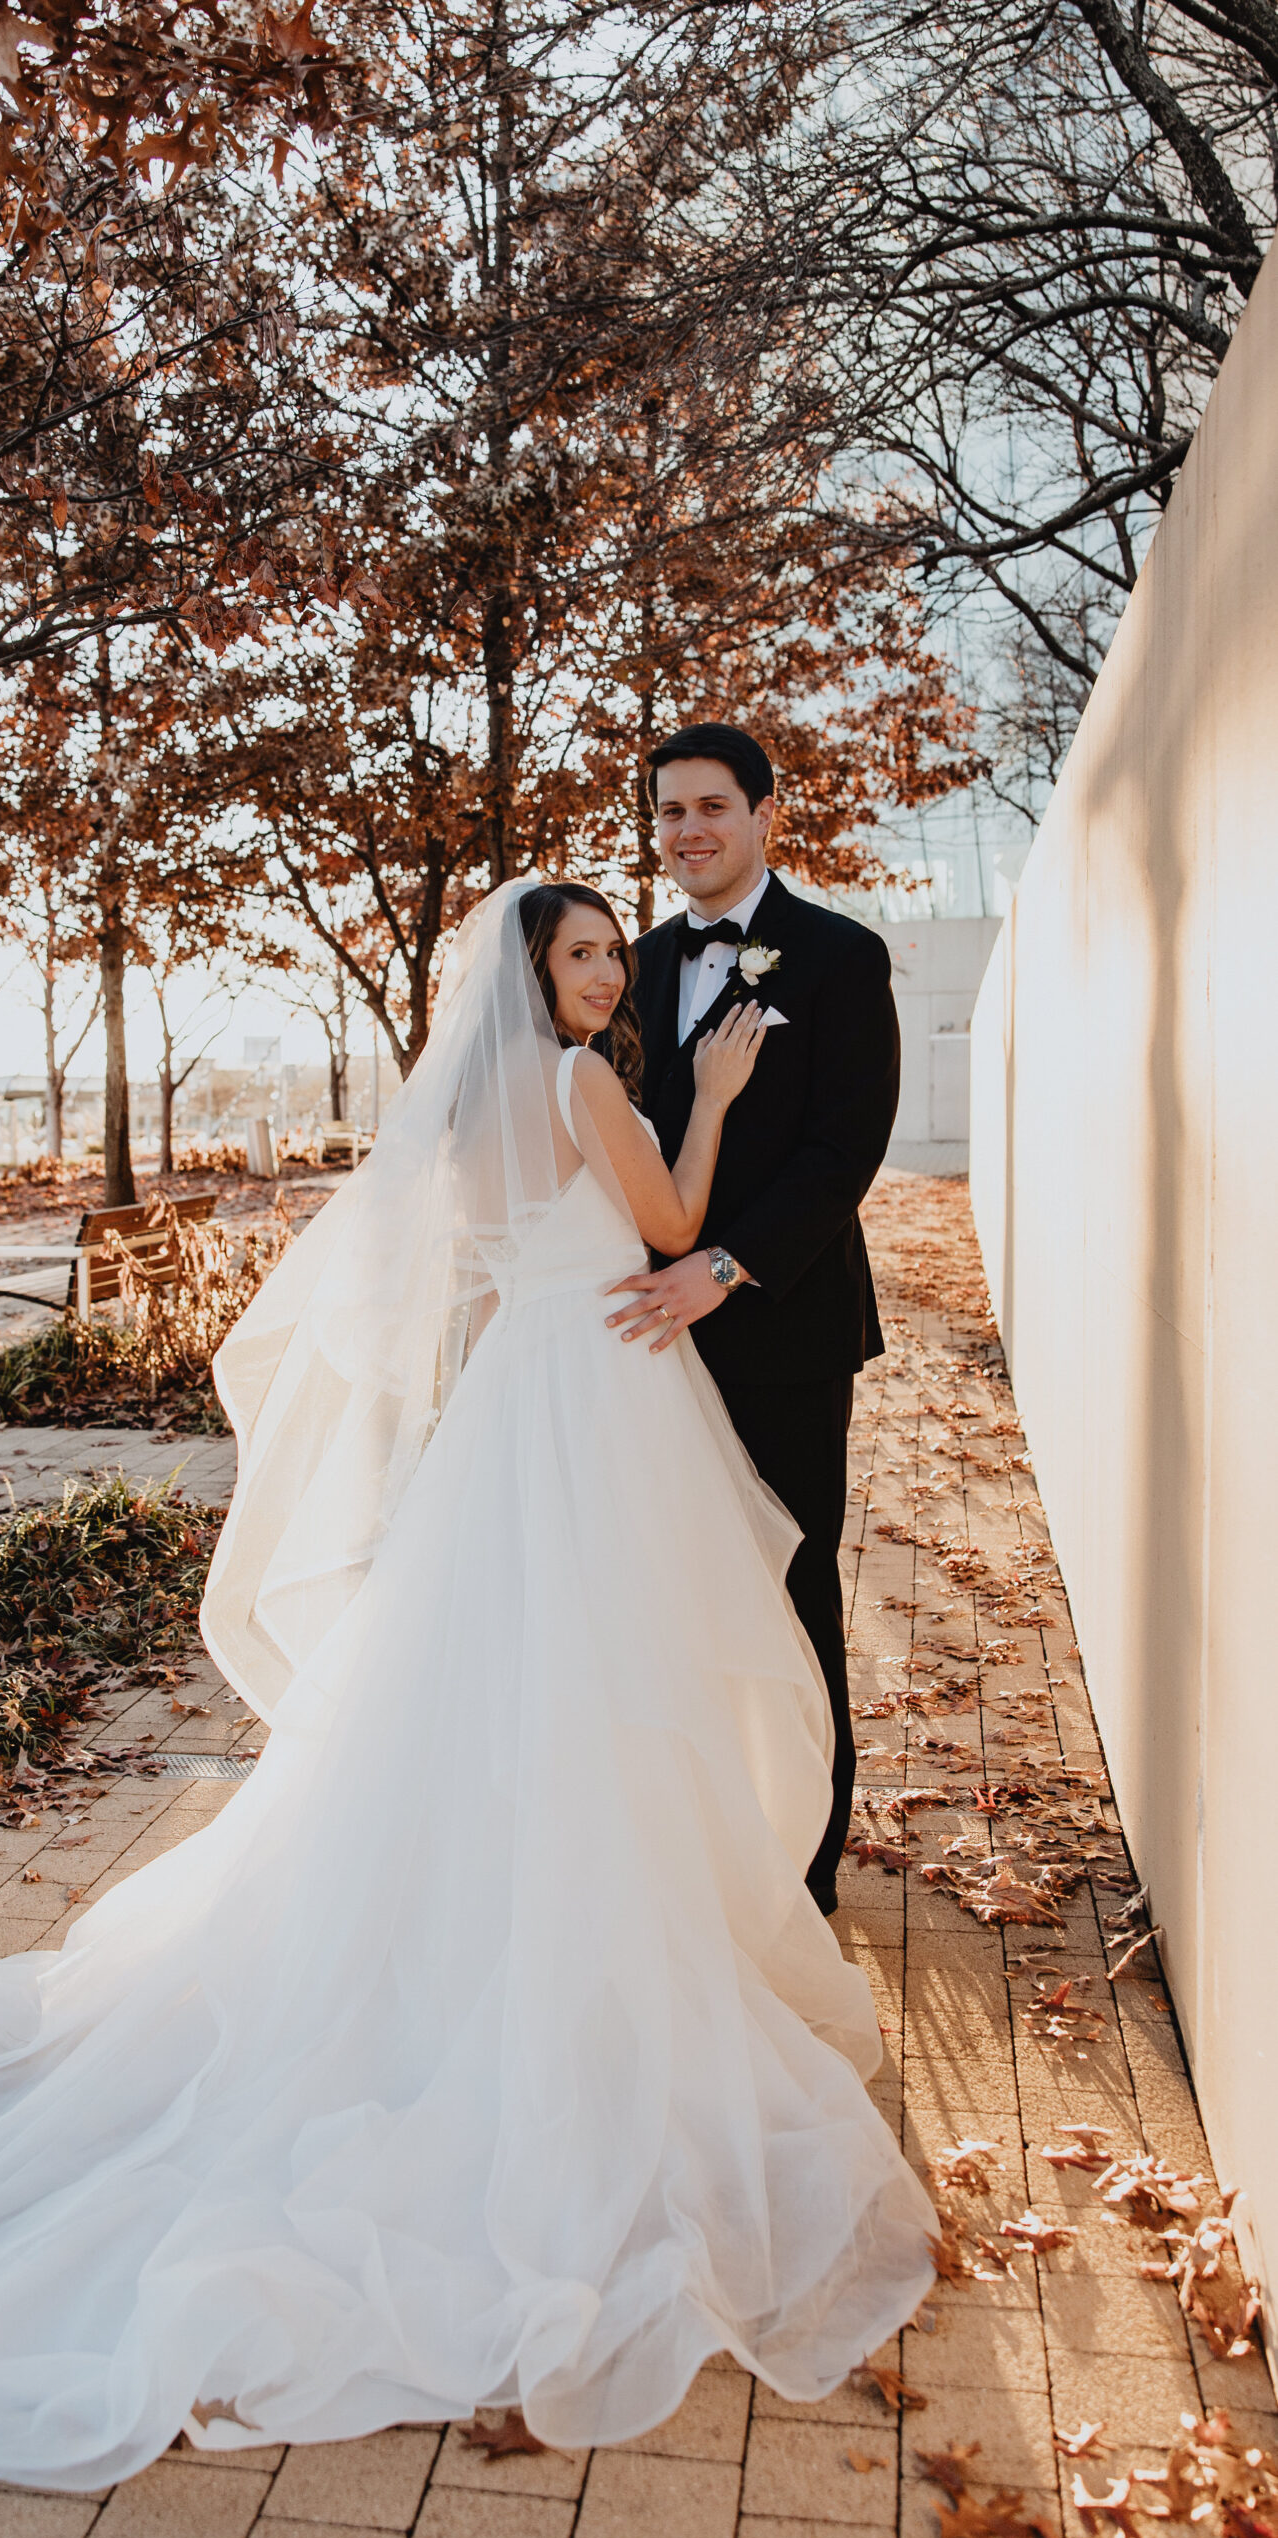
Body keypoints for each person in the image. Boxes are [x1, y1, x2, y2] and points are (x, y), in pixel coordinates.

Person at [0, 880, 934, 2491]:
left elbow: (470, 1283)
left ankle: (493, 1932)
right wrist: (724, 1100)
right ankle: (586, 1962)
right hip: (599, 1405)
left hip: (516, 1410)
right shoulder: (579, 1079)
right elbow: (671, 1230)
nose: (606, 974)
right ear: (534, 979)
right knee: (606, 1685)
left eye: (611, 951)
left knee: (498, 1696)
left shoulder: (471, 1108)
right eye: (582, 954)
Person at [609, 724, 901, 1916]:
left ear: (767, 812)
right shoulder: (620, 963)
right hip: (644, 1344)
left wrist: (721, 1267)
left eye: (712, 806)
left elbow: (844, 1153)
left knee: (789, 1587)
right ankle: (698, 1843)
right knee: (669, 1590)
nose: (689, 831)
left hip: (780, 1330)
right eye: (669, 811)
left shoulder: (837, 957)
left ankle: (804, 1868)